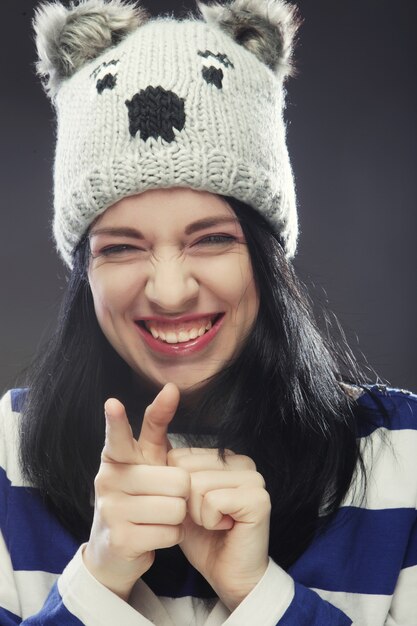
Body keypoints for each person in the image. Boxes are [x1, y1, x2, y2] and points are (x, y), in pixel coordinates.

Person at [0, 0, 416, 624]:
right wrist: (98, 580)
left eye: (213, 238)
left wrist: (259, 593)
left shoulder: (403, 457)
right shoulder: (6, 451)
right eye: (120, 247)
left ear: (268, 254)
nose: (170, 293)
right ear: (83, 269)